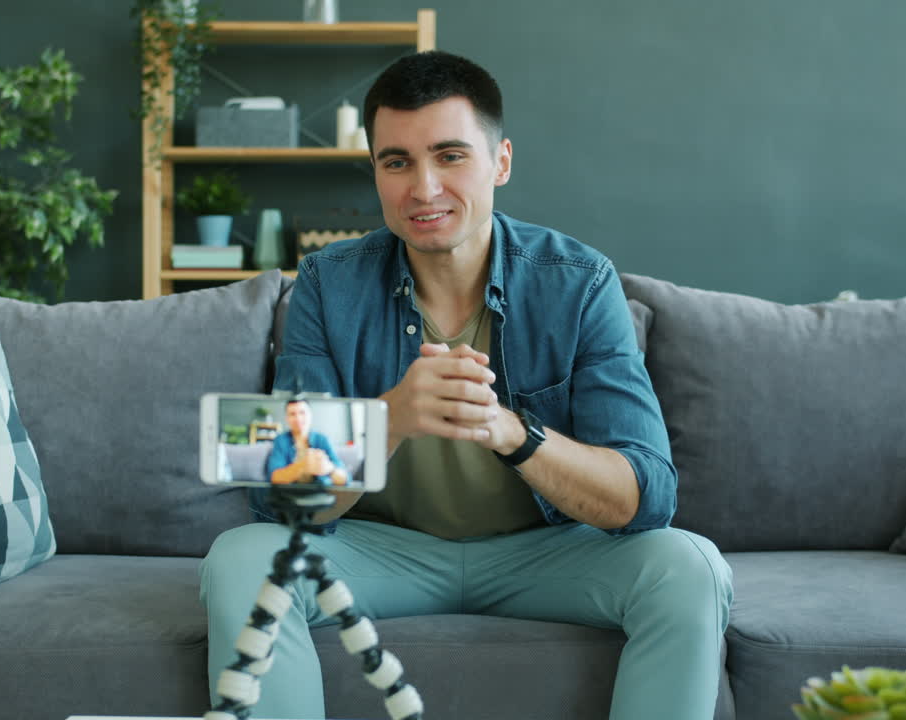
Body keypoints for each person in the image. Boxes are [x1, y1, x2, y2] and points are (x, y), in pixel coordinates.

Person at [200, 50, 733, 719]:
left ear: (500, 162)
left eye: (450, 156)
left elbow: (647, 495)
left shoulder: (580, 280)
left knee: (690, 568)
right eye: (397, 162)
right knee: (239, 557)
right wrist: (390, 418)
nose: (423, 189)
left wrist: (511, 432)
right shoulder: (324, 282)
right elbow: (278, 500)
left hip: (544, 554)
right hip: (384, 552)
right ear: (376, 172)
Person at [266, 399, 350, 487]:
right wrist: (303, 465)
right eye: (292, 414)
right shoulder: (280, 440)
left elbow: (345, 479)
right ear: (287, 418)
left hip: (319, 491)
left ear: (310, 415)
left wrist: (329, 468)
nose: (298, 418)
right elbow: (274, 477)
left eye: (302, 412)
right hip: (289, 492)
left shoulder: (322, 439)